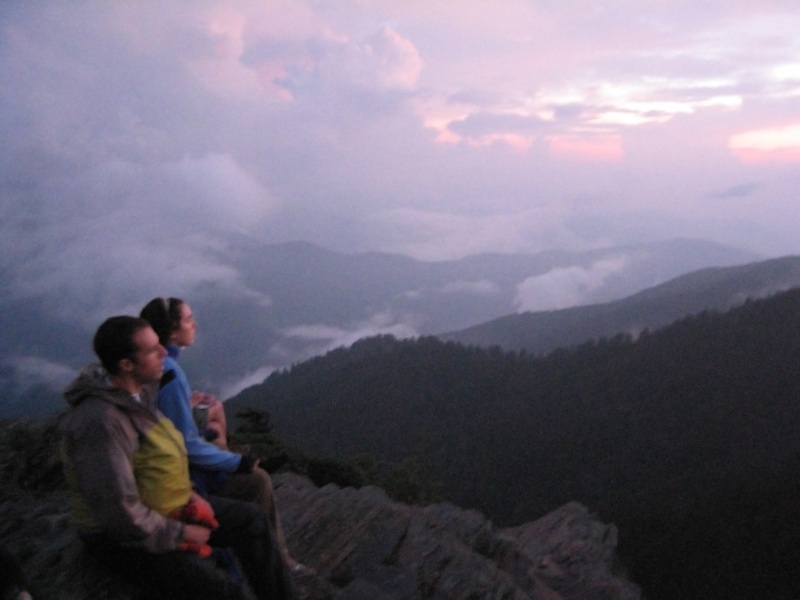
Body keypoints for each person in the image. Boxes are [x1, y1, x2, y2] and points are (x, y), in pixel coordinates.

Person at [61, 316, 294, 600]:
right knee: (225, 591)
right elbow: (118, 514)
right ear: (126, 365)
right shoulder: (100, 423)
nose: (163, 353)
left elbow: (159, 463)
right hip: (125, 540)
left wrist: (191, 495)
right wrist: (181, 533)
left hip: (166, 507)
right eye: (151, 350)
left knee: (252, 521)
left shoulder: (137, 395)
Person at [139, 297, 307, 574]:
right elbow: (186, 444)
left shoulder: (155, 363)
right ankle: (281, 560)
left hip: (160, 450)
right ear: (172, 331)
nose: (195, 324)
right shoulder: (169, 372)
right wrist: (237, 464)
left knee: (215, 411)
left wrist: (189, 404)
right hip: (175, 470)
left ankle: (235, 460)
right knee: (259, 482)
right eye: (189, 319)